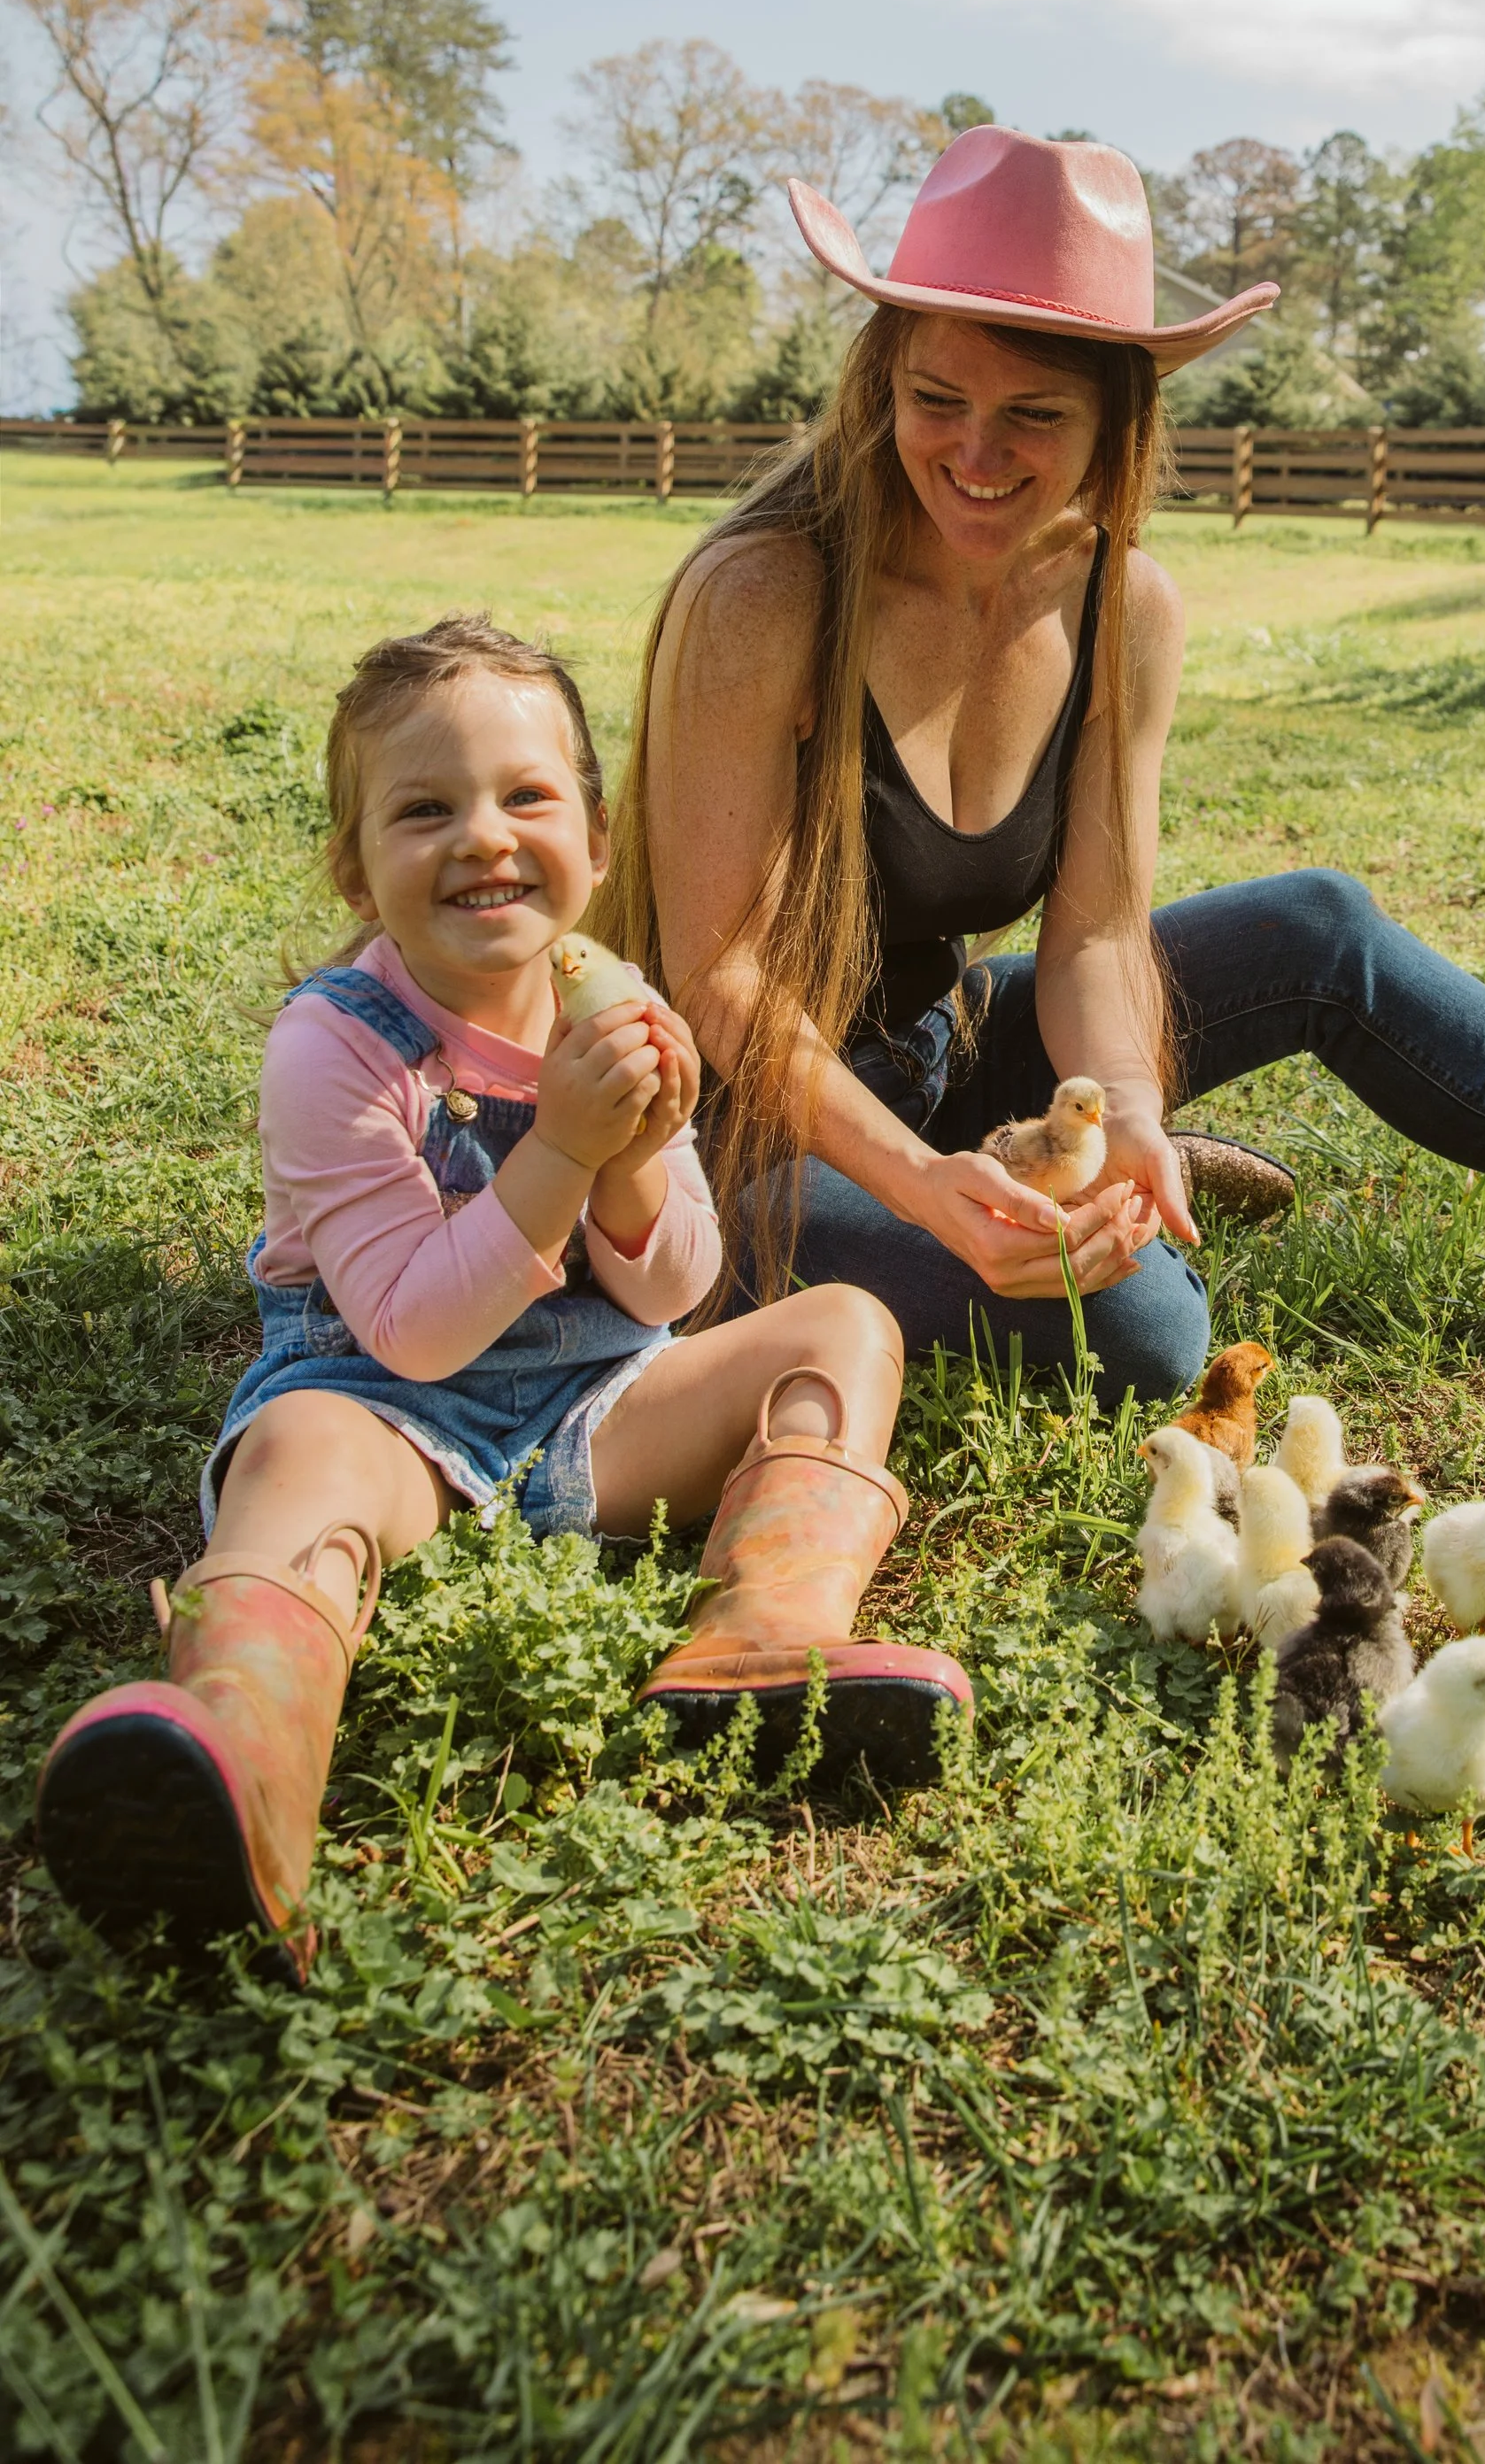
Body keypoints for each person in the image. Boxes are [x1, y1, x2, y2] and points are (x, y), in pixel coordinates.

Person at [592, 126, 1485, 1577]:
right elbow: (716, 978)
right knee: (1155, 1330)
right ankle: (1014, 1173)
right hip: (736, 1130)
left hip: (946, 1045)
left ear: (1117, 421)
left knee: (1320, 925)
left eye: (1032, 415)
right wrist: (926, 1187)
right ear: (881, 374)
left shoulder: (1120, 604)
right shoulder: (768, 591)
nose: (975, 454)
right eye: (935, 398)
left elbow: (1098, 932)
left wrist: (1141, 1116)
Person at [36, 615, 967, 1981]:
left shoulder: (623, 1006)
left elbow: (678, 1286)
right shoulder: (335, 1046)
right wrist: (563, 1152)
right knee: (296, 1461)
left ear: (595, 839)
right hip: (386, 1408)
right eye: (425, 809)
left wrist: (643, 1163)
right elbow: (412, 1326)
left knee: (845, 1328)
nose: (482, 835)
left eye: (527, 797)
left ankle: (764, 1635)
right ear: (357, 867)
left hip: (600, 1406)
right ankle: (242, 1749)